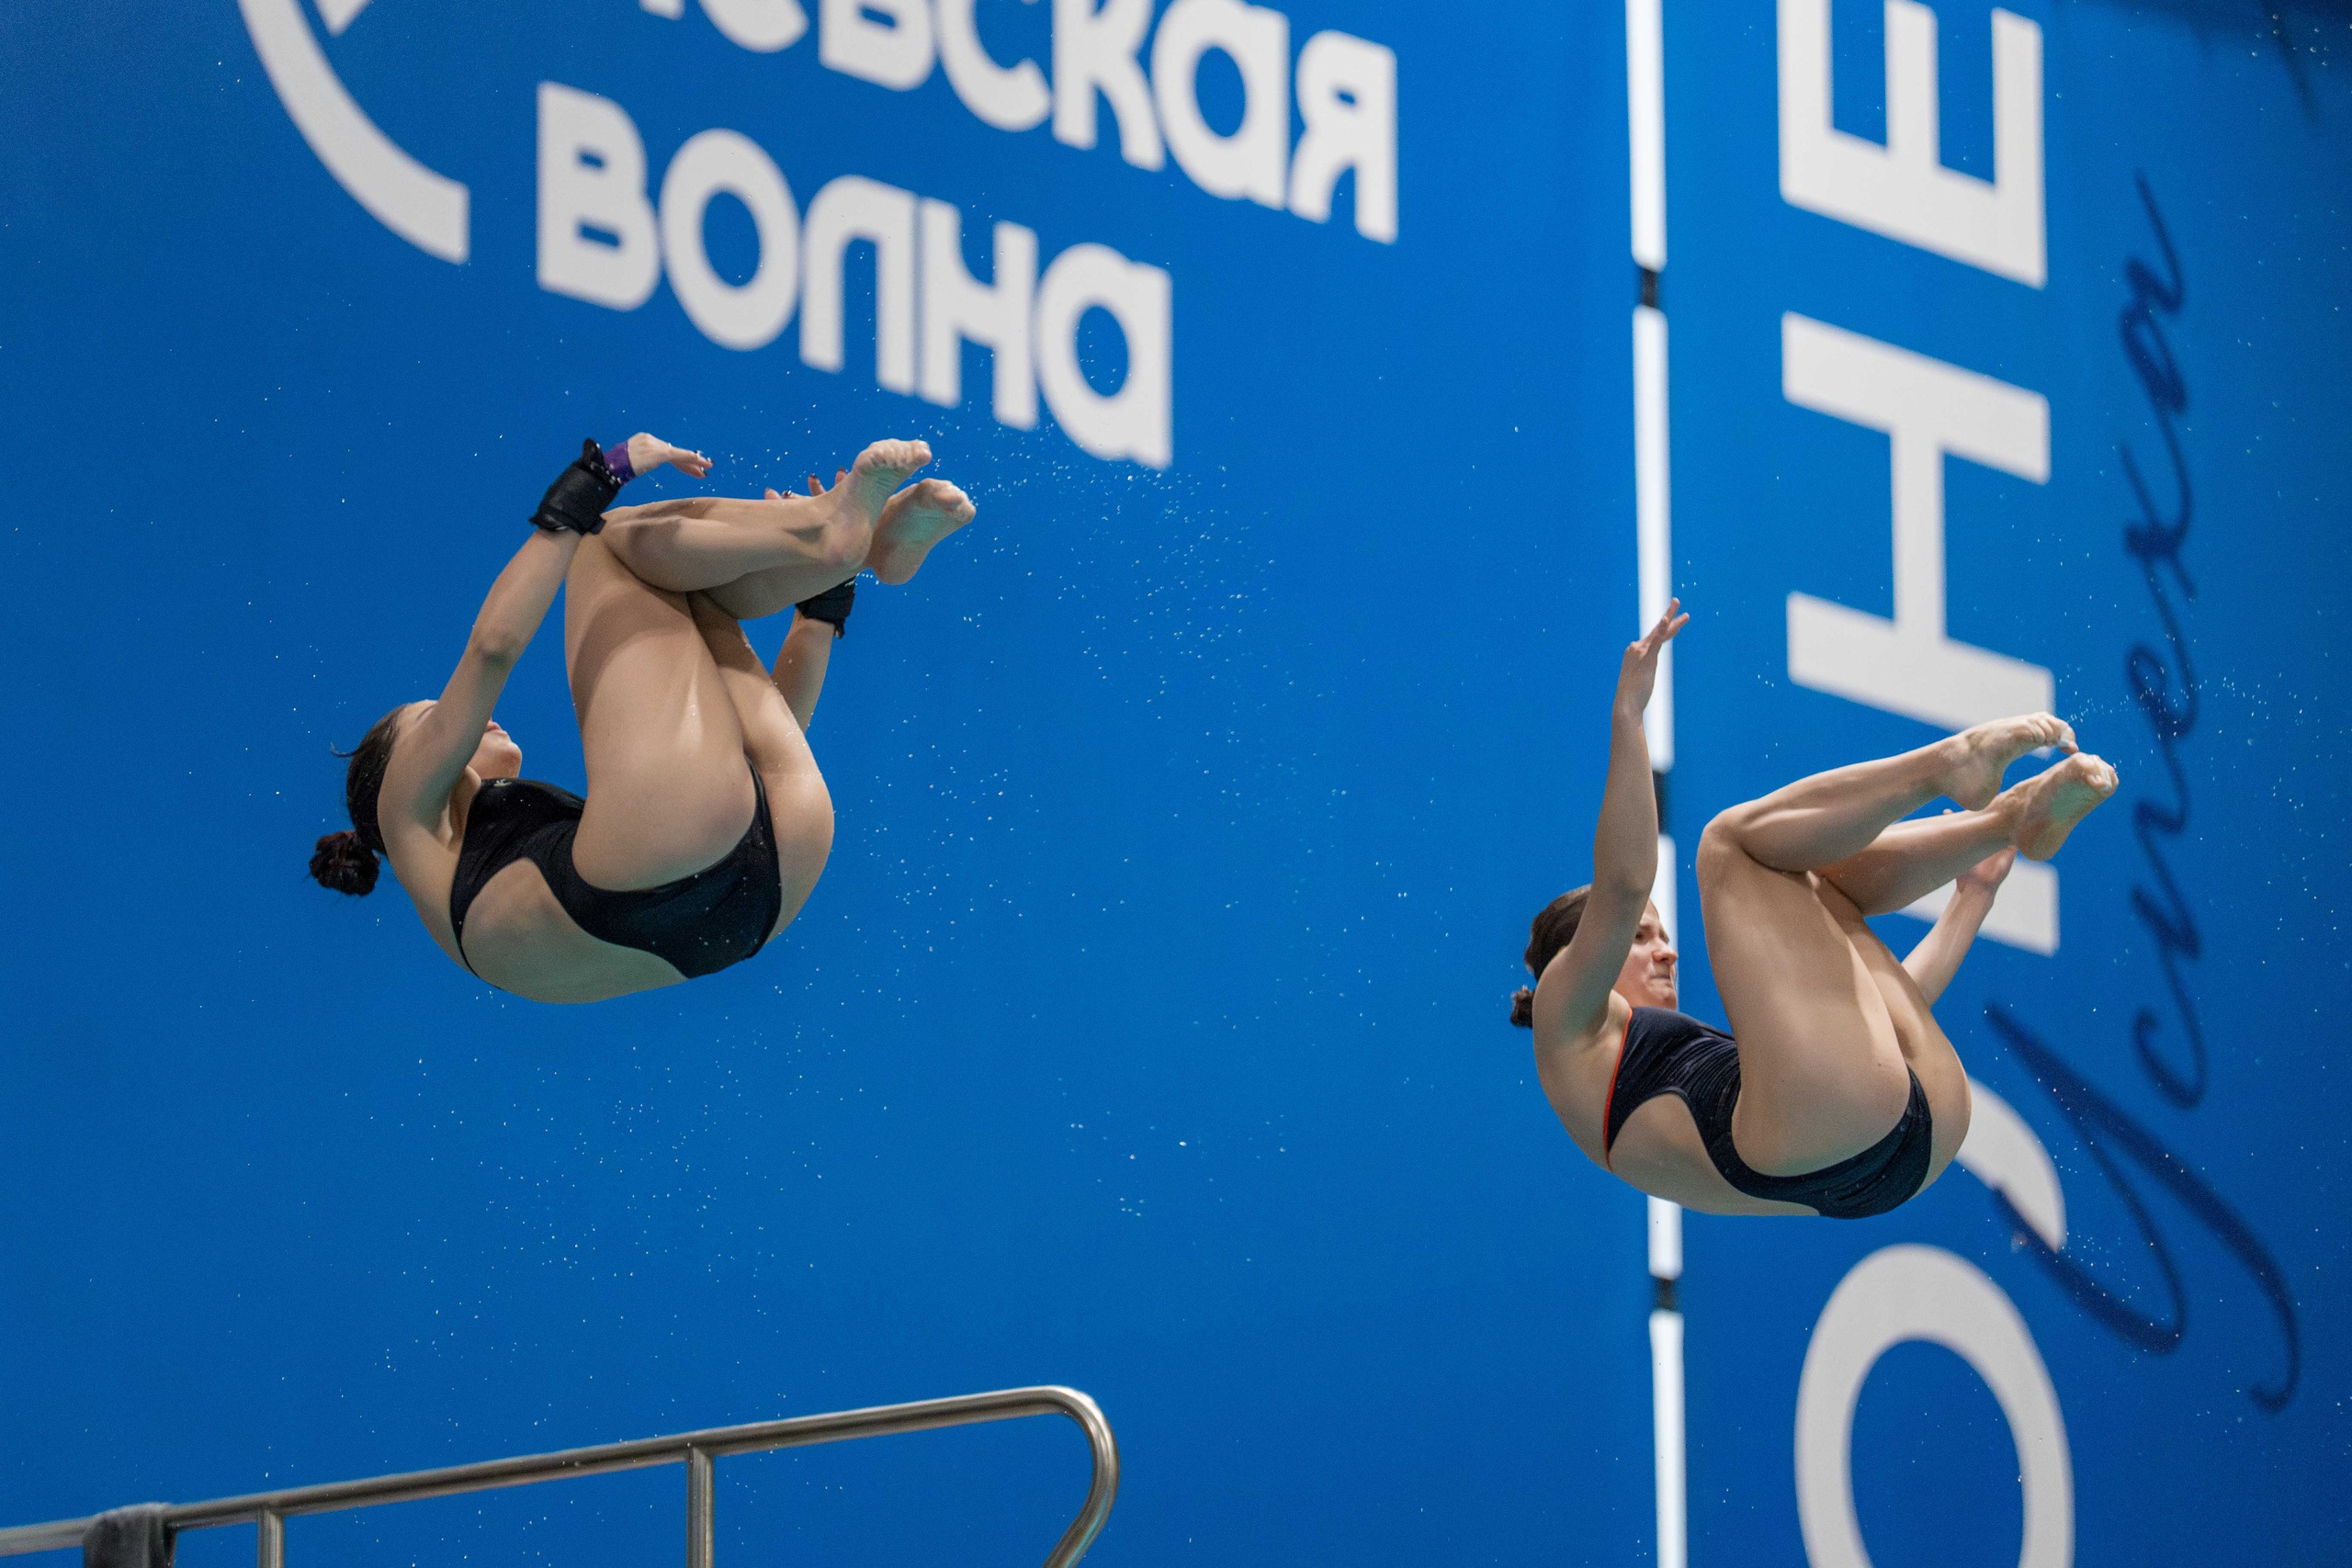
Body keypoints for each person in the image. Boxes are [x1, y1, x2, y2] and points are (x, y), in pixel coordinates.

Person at [307, 433, 977, 1004]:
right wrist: (599, 476)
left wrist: (817, 619)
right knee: (601, 548)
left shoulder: (498, 874)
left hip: (773, 882)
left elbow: (739, 768)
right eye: (432, 721)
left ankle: (847, 559)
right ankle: (829, 534)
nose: (468, 721)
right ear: (398, 764)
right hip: (704, 861)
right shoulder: (403, 808)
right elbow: (491, 649)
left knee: (693, 593)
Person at [1512, 601, 2117, 1217]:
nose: (1667, 949)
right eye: (1640, 939)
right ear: (1578, 954)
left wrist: (1972, 898)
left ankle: (2006, 826)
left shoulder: (1733, 1070)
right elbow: (1621, 885)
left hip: (1911, 1136)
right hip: (1853, 1131)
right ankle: (1949, 768)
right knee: (1729, 846)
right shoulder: (1564, 1021)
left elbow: (1868, 1017)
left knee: (1819, 884)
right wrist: (1629, 717)